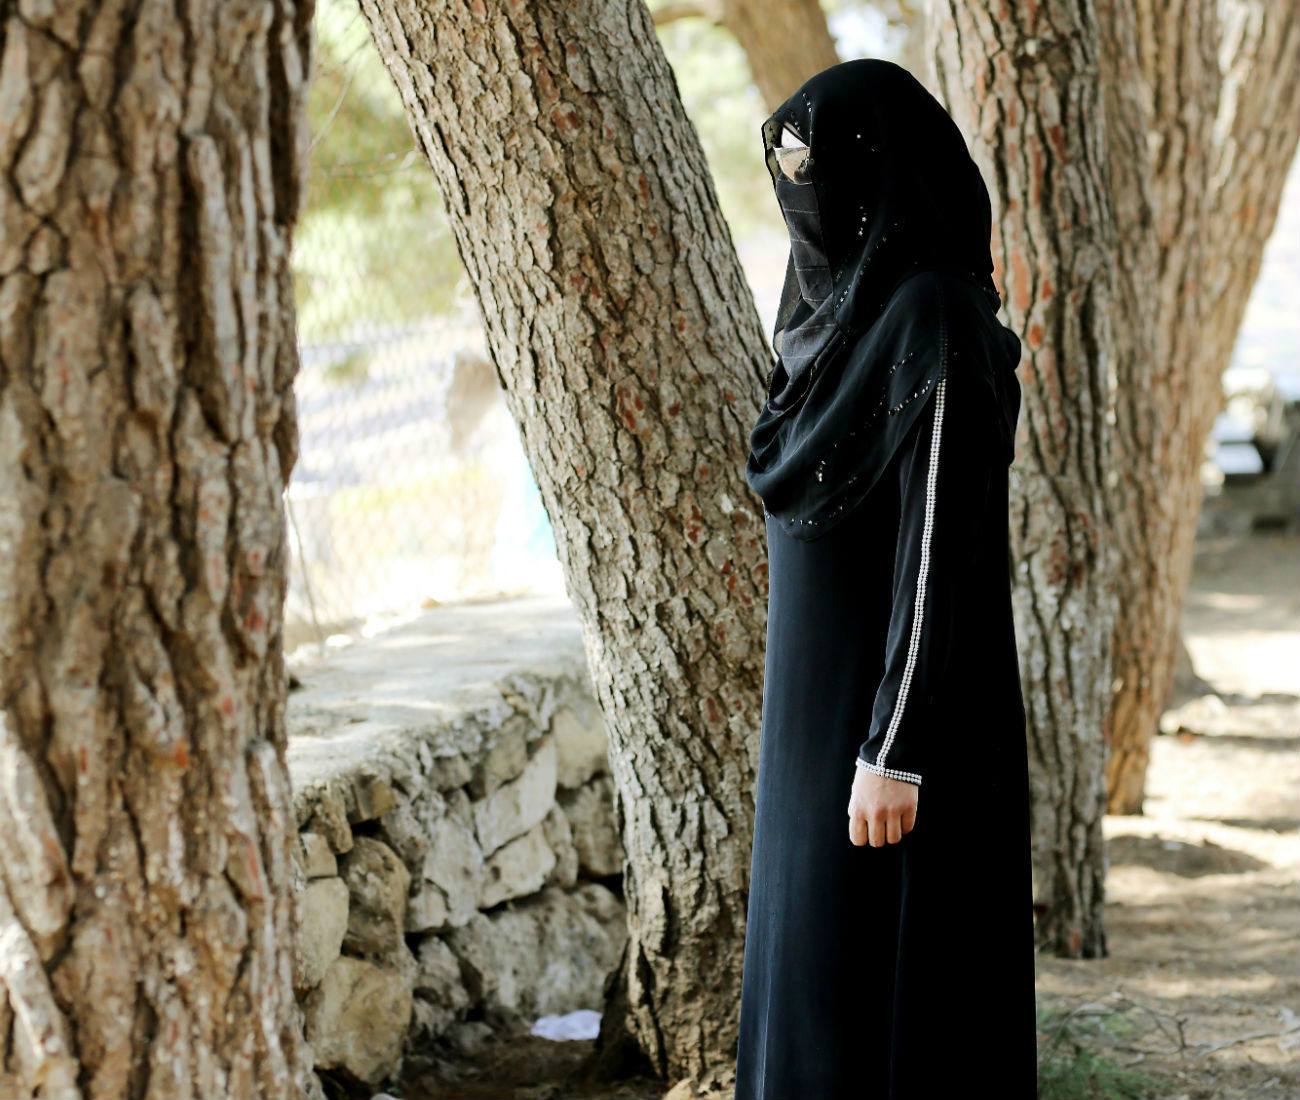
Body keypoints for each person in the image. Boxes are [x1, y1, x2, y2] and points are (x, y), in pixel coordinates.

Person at [734, 59, 1038, 1099]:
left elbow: (938, 548)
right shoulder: (820, 336)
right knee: (812, 973)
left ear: (883, 173)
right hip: (810, 735)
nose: (808, 202)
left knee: (893, 997)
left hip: (900, 732)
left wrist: (894, 750)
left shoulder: (934, 321)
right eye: (788, 175)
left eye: (823, 171)